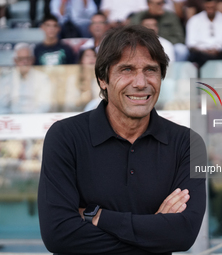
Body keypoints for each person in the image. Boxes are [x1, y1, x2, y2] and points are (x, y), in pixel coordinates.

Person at [38, 25, 206, 254]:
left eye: (150, 70)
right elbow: (58, 235)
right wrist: (154, 230)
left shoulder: (187, 143)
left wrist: (97, 216)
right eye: (126, 69)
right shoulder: (65, 137)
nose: (140, 82)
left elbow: (183, 235)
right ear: (102, 79)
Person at [0, 43, 53, 114]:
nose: (24, 62)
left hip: (36, 119)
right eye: (21, 59)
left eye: (27, 58)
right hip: (12, 119)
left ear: (32, 60)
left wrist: (29, 118)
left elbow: (45, 105)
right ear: (15, 60)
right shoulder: (6, 79)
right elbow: (2, 105)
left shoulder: (43, 78)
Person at [186, 0, 222, 67]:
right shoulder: (194, 20)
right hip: (200, 54)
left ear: (216, 6)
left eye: (212, 7)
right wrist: (204, 50)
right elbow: (190, 43)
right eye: (208, 7)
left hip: (219, 54)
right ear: (204, 6)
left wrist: (217, 49)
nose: (210, 10)